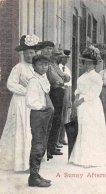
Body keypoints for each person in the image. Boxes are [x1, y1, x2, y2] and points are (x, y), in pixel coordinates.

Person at [0, 35, 40, 172]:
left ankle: (30, 163)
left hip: (33, 103)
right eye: (27, 53)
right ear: (23, 54)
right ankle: (19, 164)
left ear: (35, 54)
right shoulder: (19, 67)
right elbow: (10, 84)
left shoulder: (37, 68)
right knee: (21, 130)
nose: (29, 56)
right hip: (20, 103)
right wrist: (26, 90)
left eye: (32, 53)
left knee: (31, 131)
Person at [69, 46, 106, 167]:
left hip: (91, 105)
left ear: (94, 64)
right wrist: (76, 98)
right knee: (82, 128)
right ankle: (80, 157)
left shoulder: (96, 77)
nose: (87, 65)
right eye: (85, 63)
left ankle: (90, 158)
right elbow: (78, 89)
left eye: (90, 63)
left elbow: (94, 93)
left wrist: (81, 100)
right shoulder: (83, 76)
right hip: (81, 105)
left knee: (90, 129)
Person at [38, 41, 70, 160]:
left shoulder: (53, 64)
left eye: (50, 50)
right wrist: (60, 81)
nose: (49, 52)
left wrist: (61, 80)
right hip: (51, 92)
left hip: (58, 92)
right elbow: (53, 80)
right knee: (50, 121)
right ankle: (47, 149)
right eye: (46, 49)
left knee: (57, 120)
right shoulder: (42, 63)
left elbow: (66, 77)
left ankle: (51, 146)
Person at [26, 55, 53, 187]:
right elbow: (30, 101)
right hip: (39, 115)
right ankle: (33, 177)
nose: (44, 67)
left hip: (46, 114)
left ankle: (36, 174)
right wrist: (41, 106)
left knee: (42, 144)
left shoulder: (43, 78)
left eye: (46, 65)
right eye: (41, 64)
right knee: (38, 144)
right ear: (34, 66)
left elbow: (47, 90)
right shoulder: (33, 81)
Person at [57, 50, 72, 145]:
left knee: (65, 116)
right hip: (58, 92)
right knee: (58, 115)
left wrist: (70, 99)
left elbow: (69, 85)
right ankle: (56, 139)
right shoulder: (56, 67)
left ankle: (62, 138)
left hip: (66, 92)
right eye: (64, 58)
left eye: (67, 58)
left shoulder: (67, 69)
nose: (66, 60)